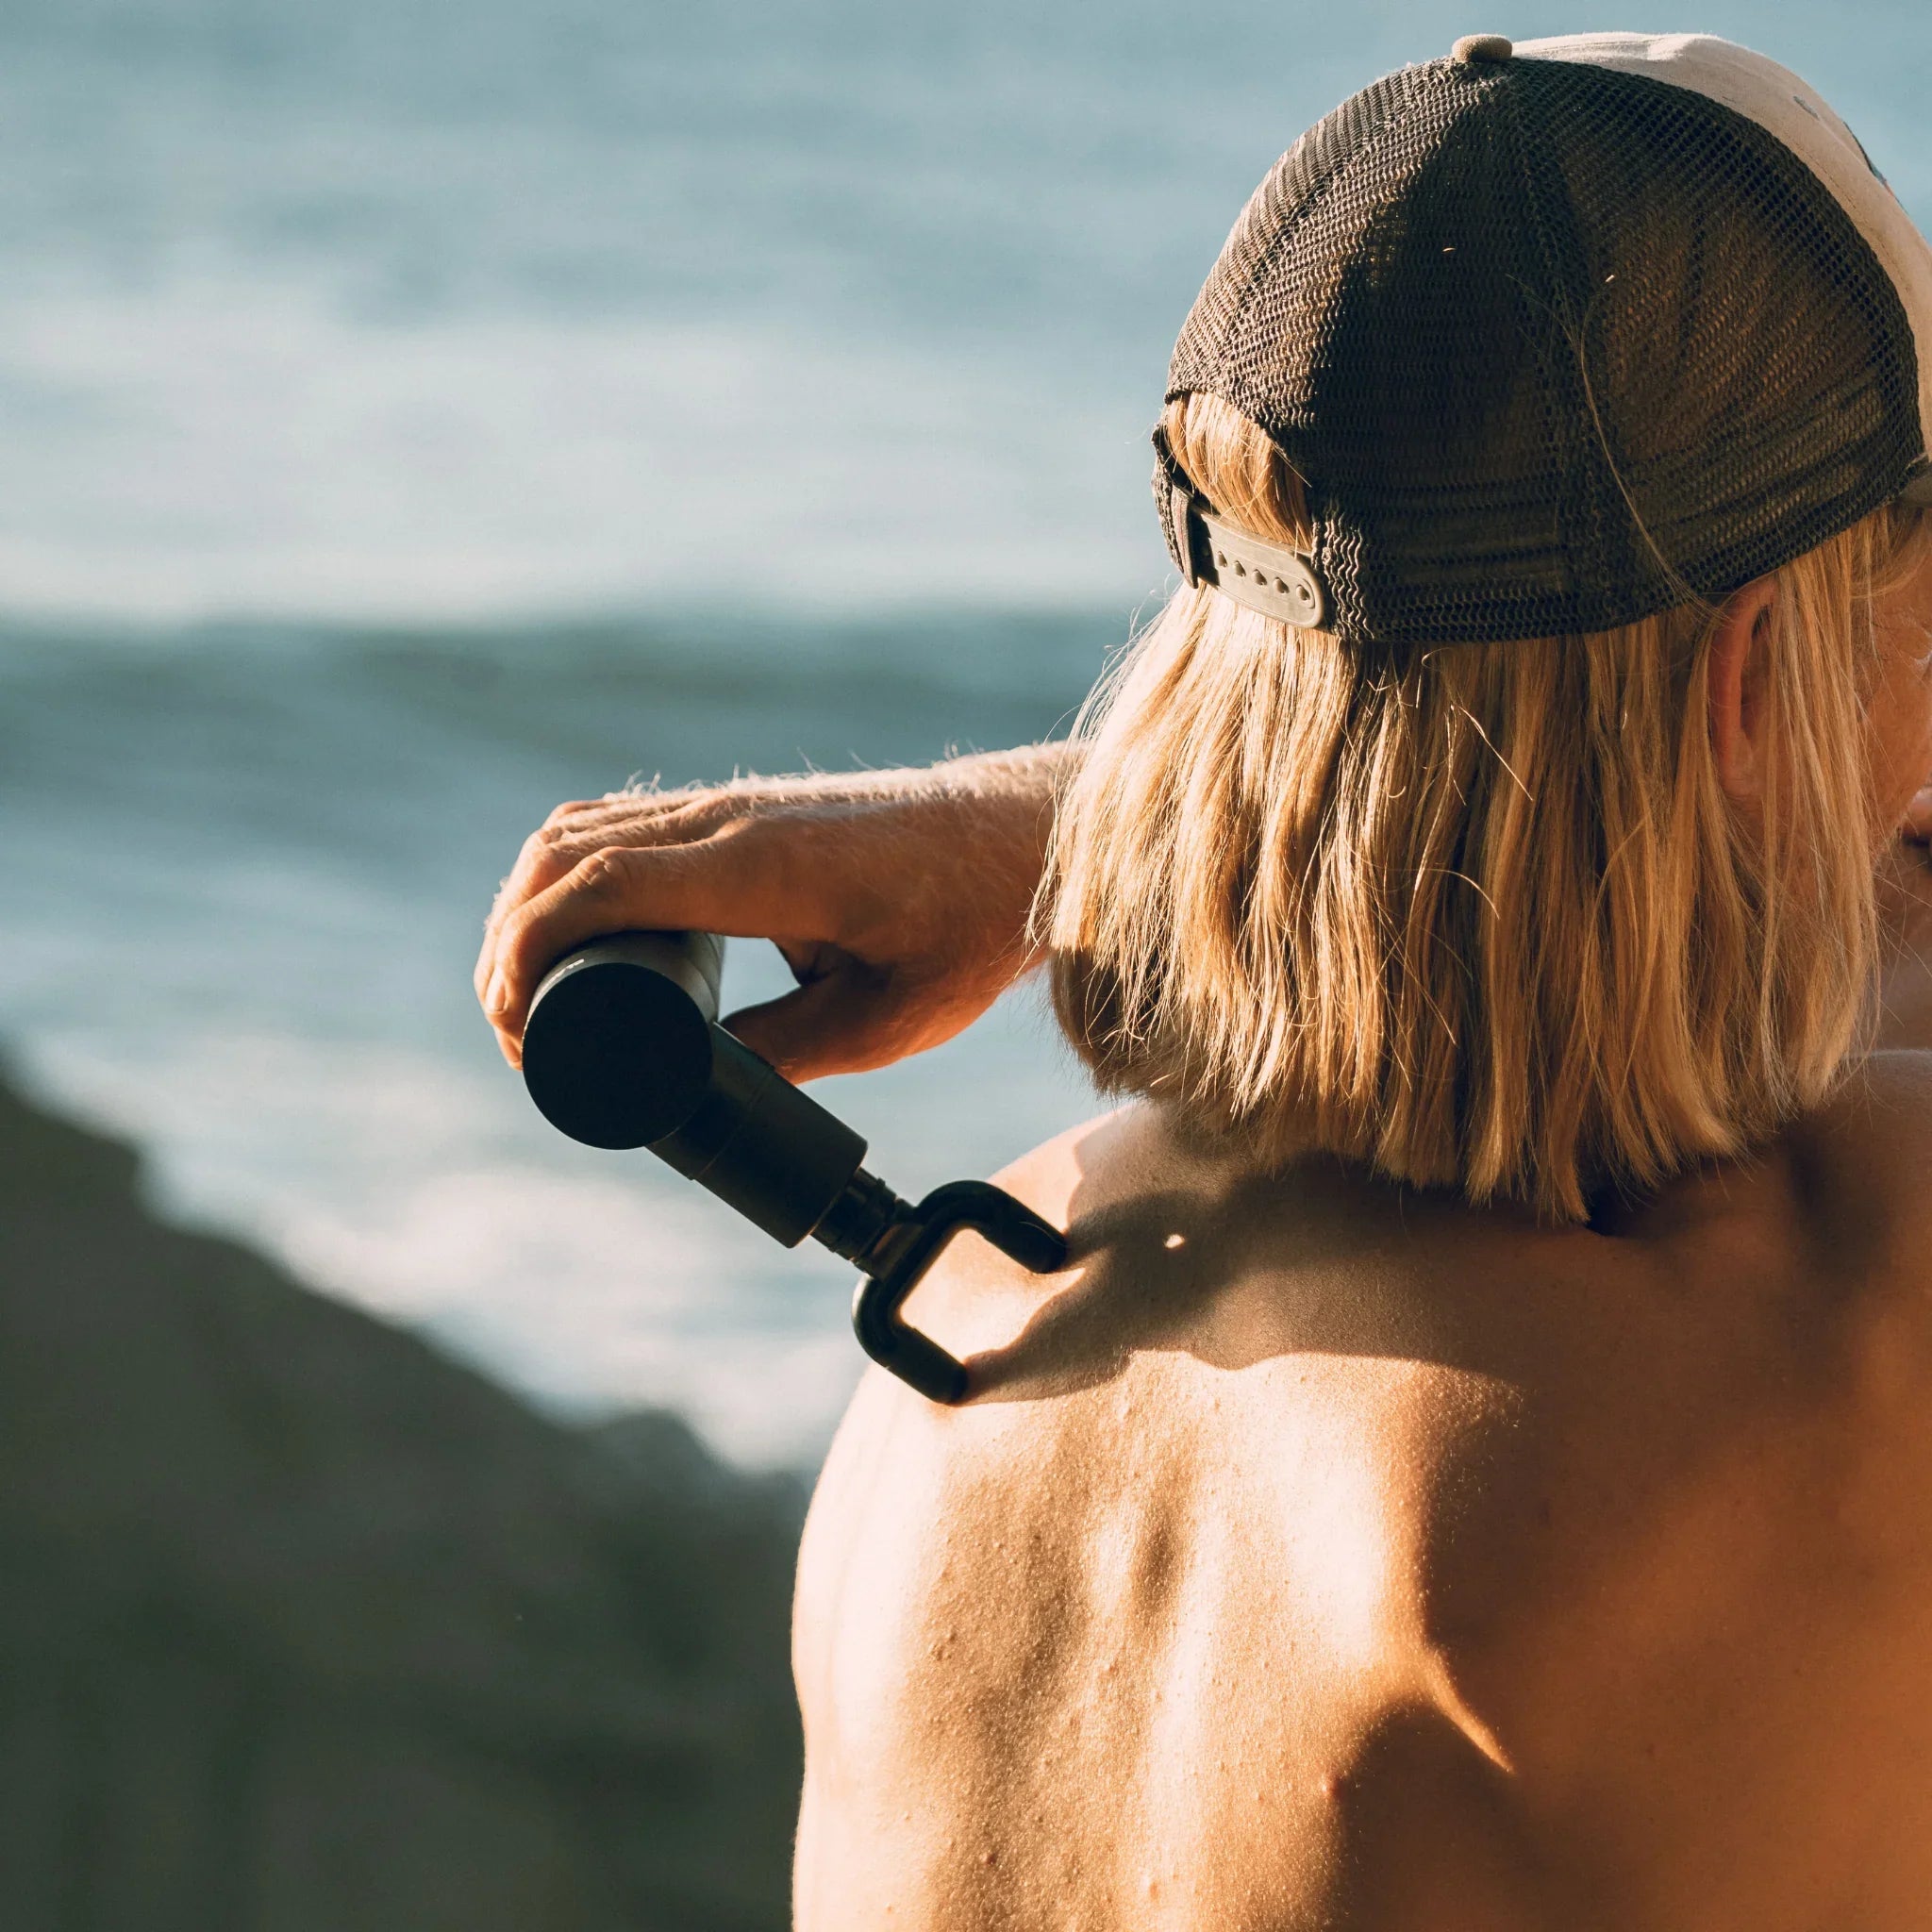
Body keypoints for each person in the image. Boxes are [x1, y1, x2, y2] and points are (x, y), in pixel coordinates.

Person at [477, 32, 1932, 1928]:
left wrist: (1125, 830)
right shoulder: (1842, 1342)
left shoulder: (974, 1348)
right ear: (1749, 686)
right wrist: (1046, 833)